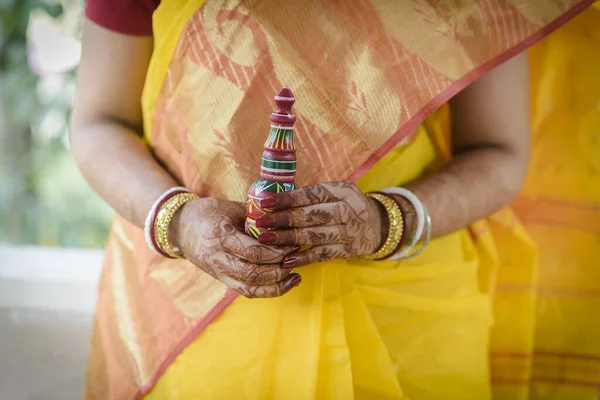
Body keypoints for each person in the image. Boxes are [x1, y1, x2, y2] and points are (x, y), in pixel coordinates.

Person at [71, 0, 600, 399]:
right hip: (193, 317)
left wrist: (385, 220)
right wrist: (180, 222)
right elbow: (98, 123)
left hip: (409, 321)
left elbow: (498, 151)